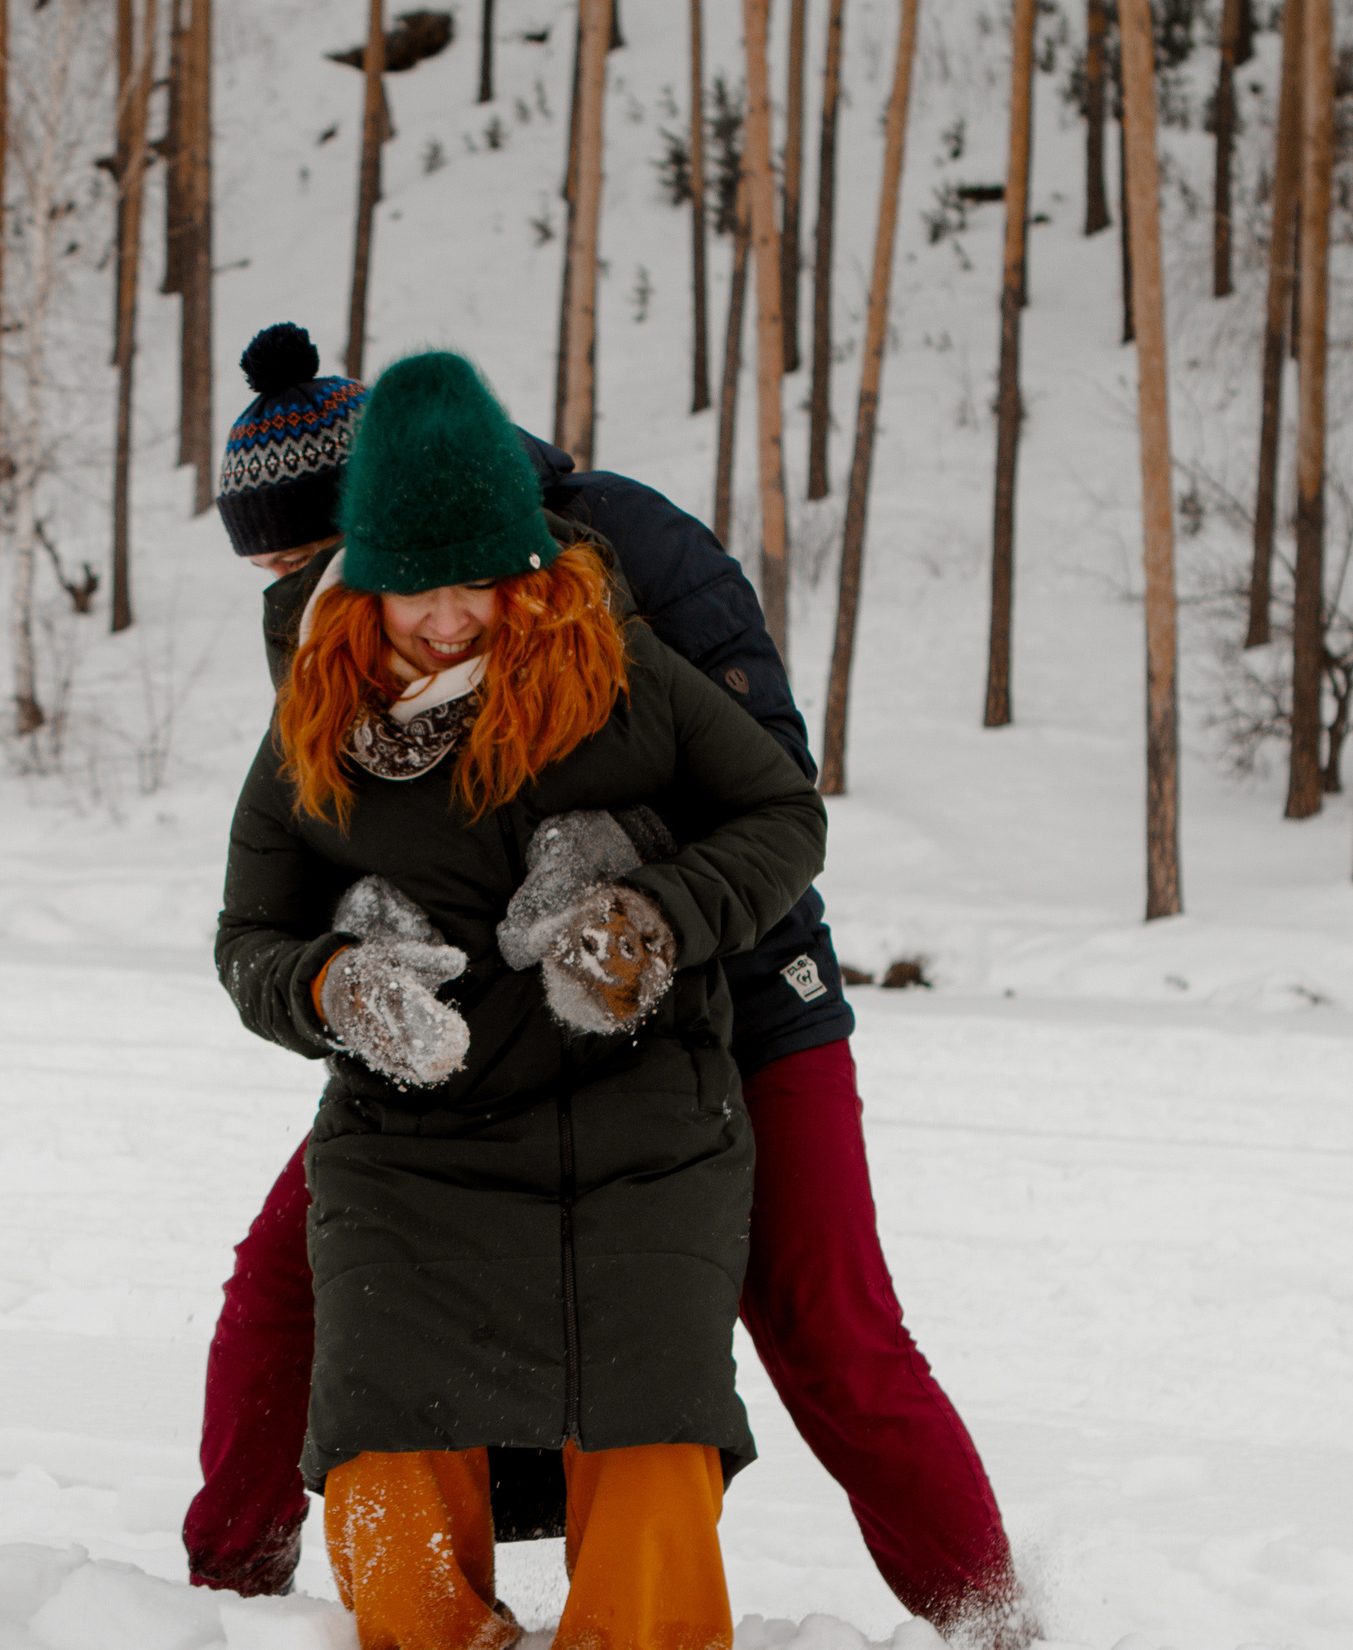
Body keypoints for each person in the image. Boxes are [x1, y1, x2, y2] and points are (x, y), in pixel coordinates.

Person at [189, 324, 1031, 1646]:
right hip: (487, 1041)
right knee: (300, 1274)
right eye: (275, 566)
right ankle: (229, 1597)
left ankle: (990, 1617)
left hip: (731, 991)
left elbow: (765, 784)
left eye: (304, 552)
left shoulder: (621, 555)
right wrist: (350, 973)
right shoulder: (345, 627)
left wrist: (643, 922)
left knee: (824, 1321)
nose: (293, 585)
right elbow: (313, 860)